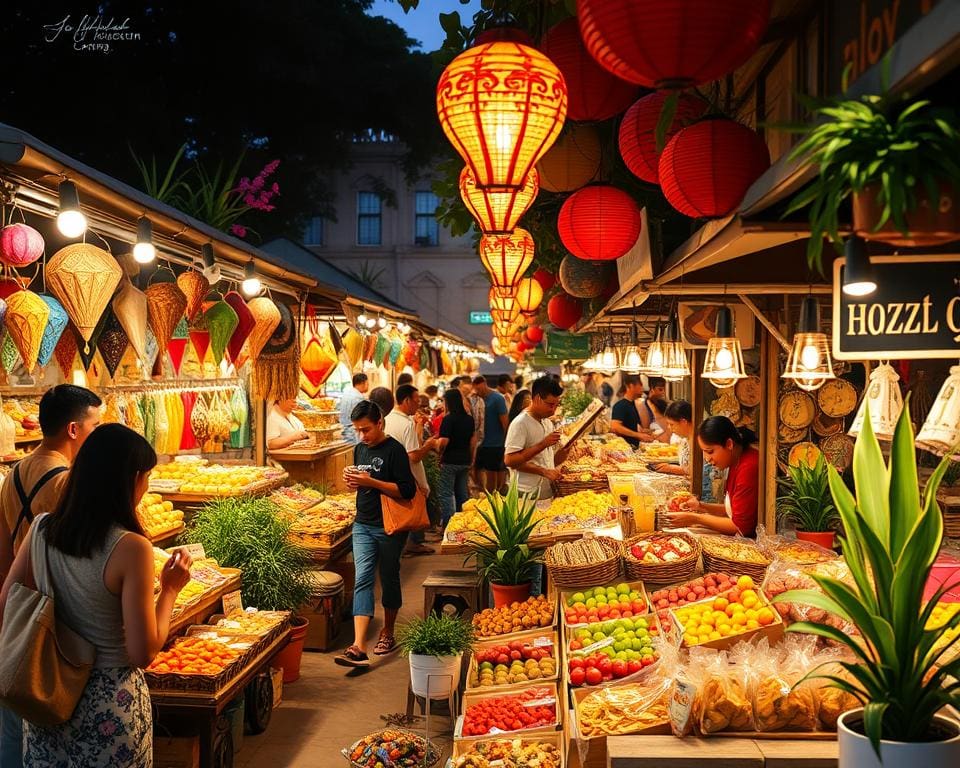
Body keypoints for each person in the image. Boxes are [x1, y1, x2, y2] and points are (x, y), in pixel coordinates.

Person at [0, 424, 193, 766]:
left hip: (47, 695)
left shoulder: (41, 529)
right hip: (107, 704)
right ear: (131, 479)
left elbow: (6, 606)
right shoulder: (131, 547)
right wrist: (171, 590)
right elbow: (142, 651)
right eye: (146, 477)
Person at [0, 384, 102, 766]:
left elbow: (4, 554)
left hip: (20, 610)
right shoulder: (68, 484)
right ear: (74, 430)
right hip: (59, 618)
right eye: (96, 425)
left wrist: (8, 612)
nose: (99, 435)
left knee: (13, 725)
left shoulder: (13, 475)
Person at [336, 402, 417, 668]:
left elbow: (406, 490)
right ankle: (359, 645)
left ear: (380, 423)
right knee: (363, 579)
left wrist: (372, 482)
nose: (362, 436)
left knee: (390, 577)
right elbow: (359, 484)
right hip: (363, 523)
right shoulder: (359, 448)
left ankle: (388, 631)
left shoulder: (395, 450)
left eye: (366, 430)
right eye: (357, 430)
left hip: (390, 526)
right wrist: (353, 480)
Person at [666, 416, 759, 537]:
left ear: (729, 444)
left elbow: (739, 527)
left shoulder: (748, 467)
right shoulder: (734, 460)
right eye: (704, 452)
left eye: (710, 451)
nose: (707, 458)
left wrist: (696, 518)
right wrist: (701, 506)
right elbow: (733, 510)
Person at [385, 384, 437, 557]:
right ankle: (406, 547)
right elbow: (414, 456)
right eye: (416, 401)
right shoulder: (405, 424)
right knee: (408, 518)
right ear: (406, 400)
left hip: (392, 477)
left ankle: (405, 547)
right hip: (408, 478)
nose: (418, 405)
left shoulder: (387, 420)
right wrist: (429, 445)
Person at [504, 376, 572, 500]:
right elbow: (510, 460)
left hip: (546, 491)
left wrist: (562, 454)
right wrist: (543, 445)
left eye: (556, 405)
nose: (553, 410)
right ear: (536, 398)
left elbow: (544, 460)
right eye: (550, 405)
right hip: (525, 493)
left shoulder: (547, 422)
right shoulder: (520, 423)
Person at [436, 389, 476, 530]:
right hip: (464, 460)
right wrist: (471, 459)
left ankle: (449, 527)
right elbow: (473, 442)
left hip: (450, 461)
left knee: (447, 494)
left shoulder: (448, 419)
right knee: (462, 494)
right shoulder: (469, 419)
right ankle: (463, 525)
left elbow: (443, 442)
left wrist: (439, 453)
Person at [473, 375, 508, 493]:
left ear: (484, 383)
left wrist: (506, 442)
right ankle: (489, 497)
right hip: (479, 444)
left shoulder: (497, 398)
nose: (478, 391)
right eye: (476, 389)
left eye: (479, 388)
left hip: (495, 444)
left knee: (493, 474)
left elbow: (505, 422)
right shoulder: (476, 400)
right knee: (477, 474)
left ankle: (494, 499)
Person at [610, 374, 654, 447]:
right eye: (640, 385)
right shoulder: (620, 405)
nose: (642, 389)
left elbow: (633, 426)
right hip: (625, 449)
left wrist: (644, 432)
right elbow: (615, 426)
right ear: (631, 386)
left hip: (635, 447)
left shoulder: (634, 404)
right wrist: (638, 435)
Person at [655, 400, 692, 477]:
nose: (669, 428)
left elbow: (702, 473)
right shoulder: (684, 440)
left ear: (683, 422)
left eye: (671, 424)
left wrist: (673, 469)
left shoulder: (699, 441)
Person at [339, 373, 369, 444]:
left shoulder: (346, 393)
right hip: (354, 433)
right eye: (367, 384)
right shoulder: (358, 398)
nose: (368, 386)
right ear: (362, 383)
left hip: (344, 432)